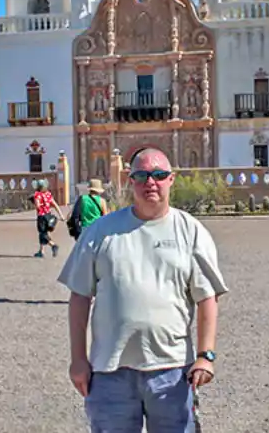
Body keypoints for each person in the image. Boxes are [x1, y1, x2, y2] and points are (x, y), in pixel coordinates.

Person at [58, 147, 229, 432]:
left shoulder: (190, 230)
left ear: (171, 179)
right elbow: (79, 296)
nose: (151, 182)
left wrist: (205, 355)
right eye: (142, 175)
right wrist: (78, 359)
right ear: (130, 179)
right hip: (110, 370)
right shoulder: (101, 232)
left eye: (159, 175)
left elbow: (207, 297)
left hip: (172, 370)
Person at [32, 179, 65, 258]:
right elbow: (55, 204)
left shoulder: (37, 194)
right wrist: (61, 215)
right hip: (48, 215)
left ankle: (53, 245)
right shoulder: (48, 194)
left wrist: (35, 203)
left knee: (42, 233)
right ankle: (41, 251)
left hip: (41, 216)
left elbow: (37, 206)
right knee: (45, 232)